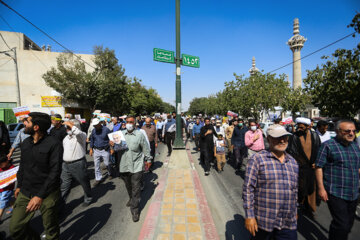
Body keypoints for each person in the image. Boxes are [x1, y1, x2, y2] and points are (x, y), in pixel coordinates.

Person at [10, 112, 62, 240]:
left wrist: (39, 196)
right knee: (15, 228)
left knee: (50, 228)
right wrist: (19, 186)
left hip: (47, 192)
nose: (24, 124)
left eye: (27, 121)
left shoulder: (54, 143)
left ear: (36, 127)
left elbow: (55, 172)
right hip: (26, 190)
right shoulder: (26, 142)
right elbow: (22, 166)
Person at [243, 124, 298, 240]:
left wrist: (295, 210)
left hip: (288, 222)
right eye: (277, 138)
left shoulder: (292, 162)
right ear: (268, 139)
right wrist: (249, 216)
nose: (282, 140)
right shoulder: (257, 160)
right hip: (264, 221)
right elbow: (248, 189)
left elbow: (294, 189)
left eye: (285, 137)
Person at [315, 120, 360, 240]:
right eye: (347, 131)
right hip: (335, 191)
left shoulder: (355, 146)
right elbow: (319, 167)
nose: (351, 133)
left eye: (353, 131)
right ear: (337, 132)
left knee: (349, 223)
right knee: (342, 223)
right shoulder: (328, 146)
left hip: (353, 192)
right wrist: (321, 189)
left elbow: (358, 167)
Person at [114, 116, 151, 222]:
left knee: (136, 188)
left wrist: (148, 160)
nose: (129, 124)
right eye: (128, 122)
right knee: (128, 186)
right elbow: (116, 149)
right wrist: (112, 145)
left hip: (136, 166)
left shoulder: (140, 135)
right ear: (125, 123)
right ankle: (131, 198)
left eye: (131, 122)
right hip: (124, 165)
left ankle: (135, 210)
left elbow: (145, 148)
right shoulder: (120, 135)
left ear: (135, 124)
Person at [287, 117, 321, 217]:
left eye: (302, 127)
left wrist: (316, 162)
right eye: (298, 127)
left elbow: (319, 149)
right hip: (300, 167)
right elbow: (292, 152)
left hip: (312, 167)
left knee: (311, 187)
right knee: (301, 187)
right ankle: (299, 204)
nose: (299, 129)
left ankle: (309, 208)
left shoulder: (314, 135)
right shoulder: (294, 136)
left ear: (307, 127)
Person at [61, 119, 92, 207]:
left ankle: (88, 198)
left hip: (78, 164)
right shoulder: (65, 138)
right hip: (65, 165)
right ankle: (60, 204)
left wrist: (71, 124)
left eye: (69, 127)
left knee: (84, 182)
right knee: (64, 185)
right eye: (66, 127)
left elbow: (78, 133)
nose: (67, 129)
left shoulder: (81, 136)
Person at [89, 118, 112, 187]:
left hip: (105, 149)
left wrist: (112, 148)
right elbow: (92, 140)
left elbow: (111, 139)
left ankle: (109, 173)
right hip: (96, 150)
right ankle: (98, 178)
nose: (95, 127)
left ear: (100, 123)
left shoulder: (106, 130)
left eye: (96, 125)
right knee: (96, 165)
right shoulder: (93, 131)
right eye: (94, 125)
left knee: (107, 163)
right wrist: (90, 149)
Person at [0, 153, 15, 221]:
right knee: (7, 199)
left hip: (8, 188)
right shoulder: (0, 167)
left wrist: (11, 181)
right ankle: (13, 205)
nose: (0, 166)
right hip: (1, 188)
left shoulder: (12, 168)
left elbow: (14, 177)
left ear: (7, 161)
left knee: (3, 201)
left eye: (1, 164)